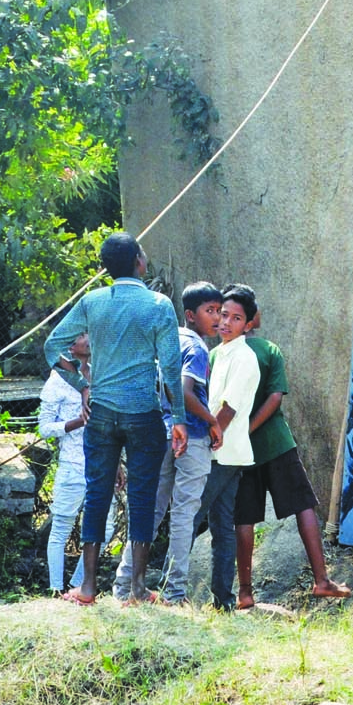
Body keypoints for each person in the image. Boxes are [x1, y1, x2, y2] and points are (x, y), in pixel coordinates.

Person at [44, 231, 186, 604]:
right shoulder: (158, 305)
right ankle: (137, 589)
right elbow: (171, 368)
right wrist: (182, 420)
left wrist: (82, 384)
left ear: (105, 268)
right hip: (144, 414)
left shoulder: (93, 302)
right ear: (140, 261)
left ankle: (88, 588)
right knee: (141, 497)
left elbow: (51, 346)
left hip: (102, 414)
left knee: (97, 494)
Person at [226, 285, 349, 607]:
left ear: (244, 322)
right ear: (254, 320)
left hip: (241, 451)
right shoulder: (268, 350)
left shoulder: (218, 357)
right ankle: (322, 580)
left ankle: (245, 592)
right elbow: (276, 397)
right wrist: (252, 427)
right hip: (277, 443)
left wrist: (238, 432)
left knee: (244, 518)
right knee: (303, 507)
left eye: (230, 316)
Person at [115, 282, 220, 605]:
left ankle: (123, 587)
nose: (216, 318)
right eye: (209, 311)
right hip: (190, 437)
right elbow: (184, 392)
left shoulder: (163, 339)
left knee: (151, 512)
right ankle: (175, 592)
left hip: (155, 435)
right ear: (190, 315)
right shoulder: (198, 349)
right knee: (183, 515)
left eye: (218, 310)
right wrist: (213, 421)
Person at [190, 290, 261, 609]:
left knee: (189, 515)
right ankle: (224, 600)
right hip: (224, 452)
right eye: (224, 315)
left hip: (222, 452)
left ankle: (171, 589)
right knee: (221, 527)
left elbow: (228, 409)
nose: (226, 322)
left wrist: (206, 440)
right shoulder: (220, 352)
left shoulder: (245, 357)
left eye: (236, 318)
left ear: (248, 325)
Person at [38, 333, 116, 594]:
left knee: (105, 529)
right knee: (62, 527)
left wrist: (116, 464)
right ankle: (55, 589)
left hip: (102, 464)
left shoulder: (98, 373)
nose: (90, 338)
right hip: (73, 464)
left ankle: (78, 586)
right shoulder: (56, 382)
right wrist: (78, 422)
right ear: (70, 346)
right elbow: (45, 429)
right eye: (83, 335)